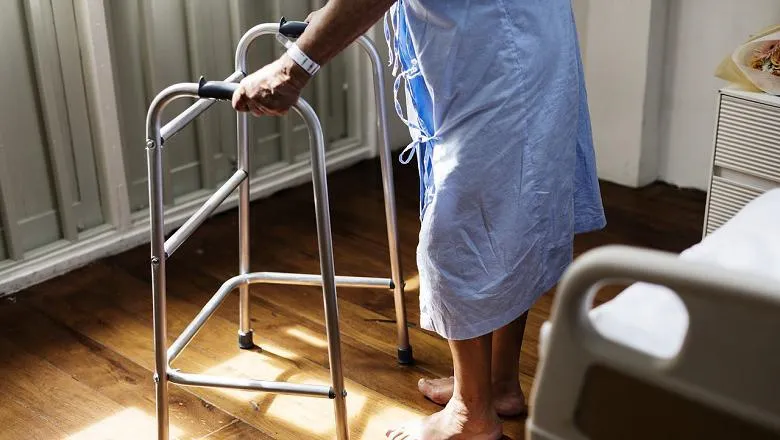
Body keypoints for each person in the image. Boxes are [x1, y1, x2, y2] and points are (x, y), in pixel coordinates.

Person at [232, 0, 607, 438]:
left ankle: (472, 417)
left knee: (464, 228)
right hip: (519, 39)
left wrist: (291, 68)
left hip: (499, 56)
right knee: (512, 214)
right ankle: (496, 383)